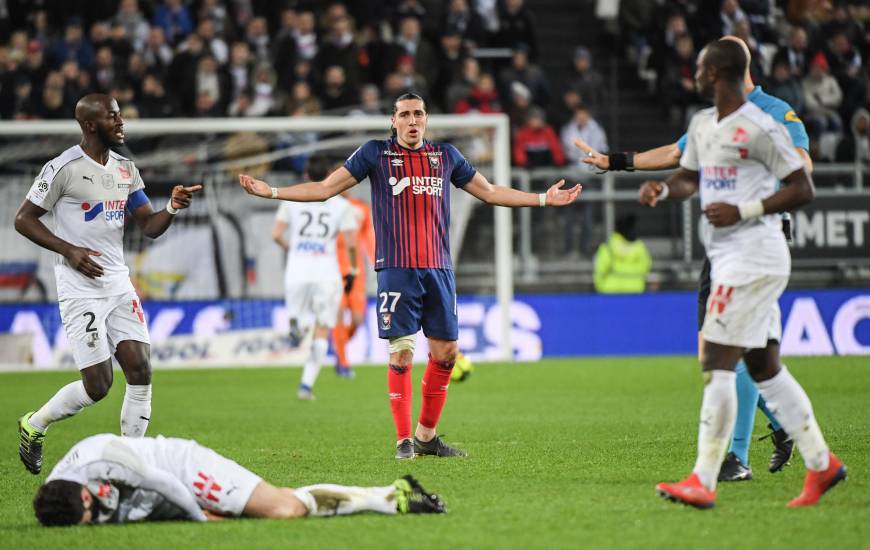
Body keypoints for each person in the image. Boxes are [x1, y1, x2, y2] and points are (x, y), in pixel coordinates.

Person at [239, 92, 581, 460]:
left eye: (418, 113)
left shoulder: (446, 156)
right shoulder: (375, 154)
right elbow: (324, 189)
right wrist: (271, 191)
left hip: (439, 268)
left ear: (427, 119)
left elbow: (492, 192)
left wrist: (543, 199)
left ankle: (426, 437)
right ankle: (403, 440)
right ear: (394, 121)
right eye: (405, 114)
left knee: (447, 353)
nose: (412, 120)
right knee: (401, 353)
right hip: (397, 268)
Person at [574, 35, 811, 482]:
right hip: (722, 247)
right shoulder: (712, 119)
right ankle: (790, 433)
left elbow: (803, 166)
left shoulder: (775, 113)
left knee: (730, 349)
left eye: (704, 66)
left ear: (728, 68)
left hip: (757, 242)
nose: (696, 74)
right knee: (727, 352)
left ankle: (734, 458)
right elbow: (678, 156)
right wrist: (617, 162)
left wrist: (753, 195)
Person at [644, 39, 845, 509]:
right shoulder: (703, 124)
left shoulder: (762, 126)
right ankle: (823, 464)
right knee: (763, 366)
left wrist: (744, 209)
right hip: (730, 255)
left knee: (716, 359)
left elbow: (803, 186)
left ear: (717, 71)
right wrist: (662, 189)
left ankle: (705, 477)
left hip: (755, 254)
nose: (692, 72)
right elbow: (690, 177)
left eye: (699, 65)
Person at [14, 94, 201, 475]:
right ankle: (35, 424)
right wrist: (69, 250)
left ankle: (131, 465)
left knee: (141, 369)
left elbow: (148, 226)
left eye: (120, 115)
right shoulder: (63, 167)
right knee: (98, 385)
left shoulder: (125, 169)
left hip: (117, 283)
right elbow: (24, 219)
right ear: (90, 125)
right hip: (78, 286)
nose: (121, 122)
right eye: (112, 117)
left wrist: (171, 207)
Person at [33, 433, 444, 526]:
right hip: (147, 501)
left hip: (183, 469)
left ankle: (391, 495)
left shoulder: (105, 457)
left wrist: (201, 519)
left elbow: (166, 485)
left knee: (284, 509)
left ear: (85, 493)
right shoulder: (61, 494)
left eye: (89, 512)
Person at [271, 155, 358, 400]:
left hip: (297, 270)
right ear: (331, 174)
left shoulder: (291, 200)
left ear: (307, 174)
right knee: (322, 329)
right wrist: (352, 269)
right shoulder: (342, 205)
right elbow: (351, 242)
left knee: (299, 318)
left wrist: (293, 248)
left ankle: (296, 323)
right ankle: (305, 386)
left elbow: (276, 234)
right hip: (326, 273)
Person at [333, 188, 376, 379]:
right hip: (333, 269)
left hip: (356, 271)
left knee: (358, 319)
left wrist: (377, 261)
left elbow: (368, 238)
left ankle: (338, 347)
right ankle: (343, 362)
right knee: (338, 316)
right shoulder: (326, 207)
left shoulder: (361, 208)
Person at [593, 214, 651, 293]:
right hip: (635, 290)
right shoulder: (639, 247)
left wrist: (600, 287)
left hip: (609, 291)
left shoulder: (608, 246)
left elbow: (599, 271)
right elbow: (646, 267)